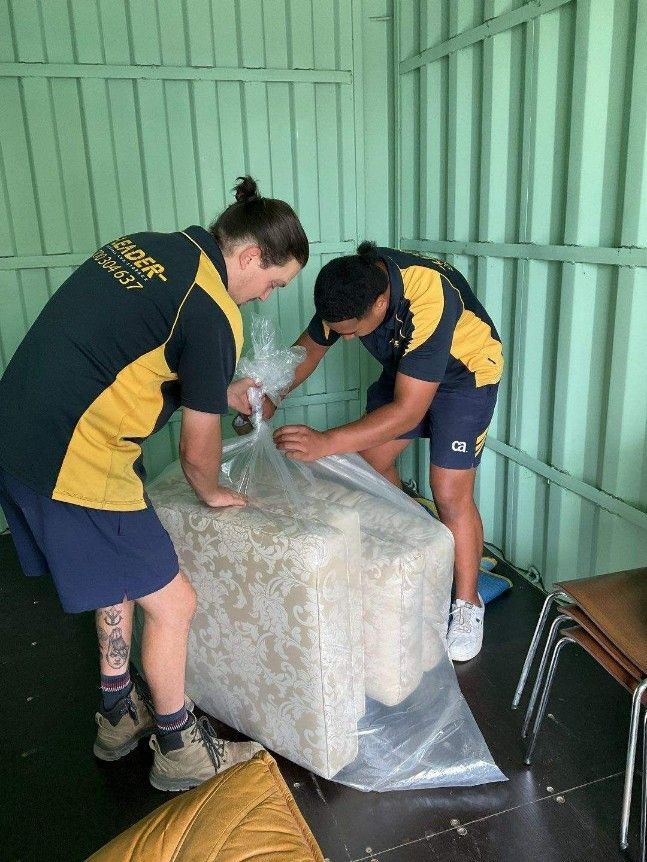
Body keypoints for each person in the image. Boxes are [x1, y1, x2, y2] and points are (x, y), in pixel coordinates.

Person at [0, 176, 308, 791]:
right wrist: (216, 492)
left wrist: (216, 388)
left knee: (118, 580)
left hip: (18, 432)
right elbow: (199, 455)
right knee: (175, 604)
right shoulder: (214, 311)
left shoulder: (147, 248)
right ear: (249, 257)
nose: (263, 298)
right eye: (271, 284)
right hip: (76, 457)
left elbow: (129, 350)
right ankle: (179, 746)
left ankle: (118, 716)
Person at [270, 242, 503, 662]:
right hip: (409, 370)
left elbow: (407, 411)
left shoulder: (429, 295)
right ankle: (426, 550)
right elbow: (308, 351)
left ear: (381, 302)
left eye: (353, 332)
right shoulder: (351, 289)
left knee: (449, 491)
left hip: (464, 375)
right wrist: (272, 391)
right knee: (371, 466)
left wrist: (324, 443)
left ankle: (468, 603)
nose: (346, 338)